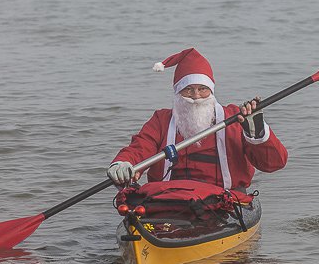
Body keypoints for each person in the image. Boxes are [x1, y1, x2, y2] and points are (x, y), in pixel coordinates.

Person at [107, 48, 288, 190]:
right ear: (178, 92)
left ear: (211, 91)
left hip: (224, 202)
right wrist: (124, 163)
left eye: (202, 89)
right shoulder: (161, 120)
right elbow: (140, 147)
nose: (196, 96)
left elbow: (274, 164)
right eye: (188, 89)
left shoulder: (235, 118)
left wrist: (257, 134)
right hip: (167, 200)